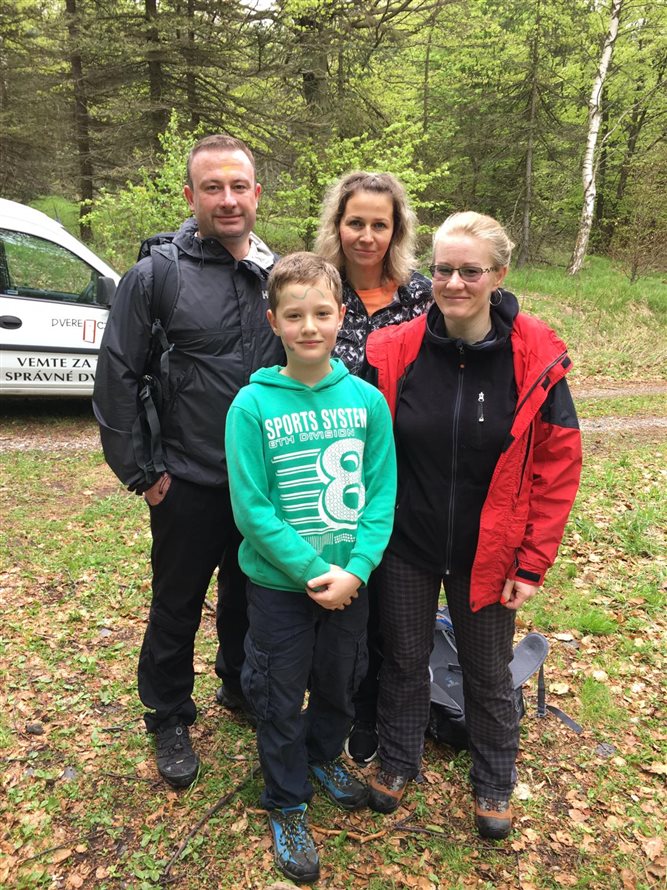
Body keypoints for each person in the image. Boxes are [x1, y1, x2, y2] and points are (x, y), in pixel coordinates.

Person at [363, 212, 582, 840]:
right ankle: (398, 760)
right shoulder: (395, 349)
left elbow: (558, 465)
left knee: (487, 672)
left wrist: (532, 562)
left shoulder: (533, 357)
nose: (454, 283)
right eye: (443, 269)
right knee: (404, 659)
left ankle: (493, 780)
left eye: (470, 271)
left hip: (490, 553)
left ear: (499, 275)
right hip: (406, 542)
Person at [93, 134, 284, 789]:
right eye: (212, 187)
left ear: (256, 194)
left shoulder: (277, 274)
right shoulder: (156, 276)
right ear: (190, 195)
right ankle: (168, 714)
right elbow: (117, 377)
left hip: (259, 483)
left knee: (249, 595)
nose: (227, 199)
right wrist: (143, 474)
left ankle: (239, 684)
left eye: (239, 186)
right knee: (177, 604)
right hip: (186, 480)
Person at [225, 252, 396, 883]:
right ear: (273, 321)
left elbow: (381, 495)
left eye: (322, 313)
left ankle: (324, 756)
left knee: (339, 680)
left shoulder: (368, 403)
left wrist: (357, 568)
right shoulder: (252, 406)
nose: (309, 327)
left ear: (341, 316)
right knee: (277, 693)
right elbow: (252, 509)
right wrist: (308, 570)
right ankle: (287, 801)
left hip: (350, 584)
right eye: (294, 315)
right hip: (279, 587)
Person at [314, 171, 432, 763]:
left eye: (379, 225)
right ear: (338, 225)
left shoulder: (423, 295)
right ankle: (343, 706)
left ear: (396, 230)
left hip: (404, 472)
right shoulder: (318, 287)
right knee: (344, 603)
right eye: (355, 222)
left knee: (393, 604)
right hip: (330, 473)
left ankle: (383, 711)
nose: (366, 236)